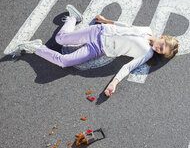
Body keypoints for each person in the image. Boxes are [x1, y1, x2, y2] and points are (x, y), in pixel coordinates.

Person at [11, 5, 179, 97]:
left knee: (65, 62)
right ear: (162, 37)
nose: (160, 49)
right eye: (163, 45)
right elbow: (127, 26)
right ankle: (73, 18)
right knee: (60, 39)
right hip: (98, 31)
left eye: (162, 51)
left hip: (99, 48)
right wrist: (106, 21)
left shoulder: (147, 53)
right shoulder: (147, 30)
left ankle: (36, 47)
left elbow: (128, 67)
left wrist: (114, 84)